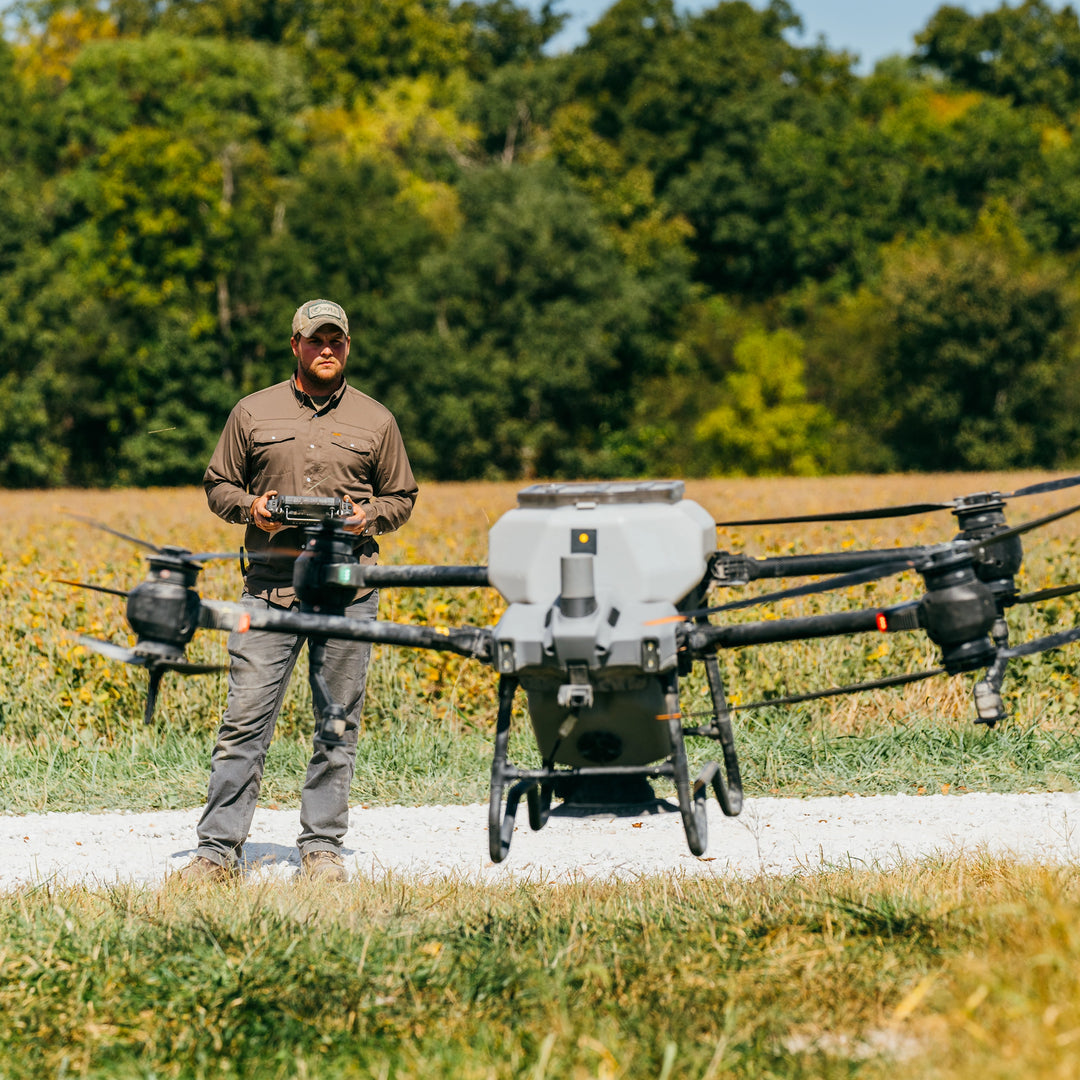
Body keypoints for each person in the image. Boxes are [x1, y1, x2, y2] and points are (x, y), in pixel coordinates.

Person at [177, 298, 418, 883]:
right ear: (296, 346)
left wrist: (365, 519)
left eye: (336, 340)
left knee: (337, 723)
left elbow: (402, 498)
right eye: (316, 340)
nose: (327, 349)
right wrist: (252, 509)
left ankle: (322, 848)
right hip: (268, 593)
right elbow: (218, 484)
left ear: (348, 346)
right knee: (244, 723)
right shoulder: (252, 412)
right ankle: (217, 853)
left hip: (347, 594)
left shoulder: (376, 420)